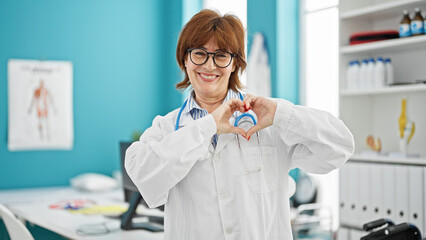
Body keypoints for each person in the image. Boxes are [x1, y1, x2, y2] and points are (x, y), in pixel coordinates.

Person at [125, 9, 354, 240]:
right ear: (185, 58)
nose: (209, 65)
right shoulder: (166, 127)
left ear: (234, 64)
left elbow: (340, 146)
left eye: (221, 55)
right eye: (199, 53)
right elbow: (143, 176)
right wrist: (207, 127)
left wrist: (280, 113)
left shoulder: (269, 122)